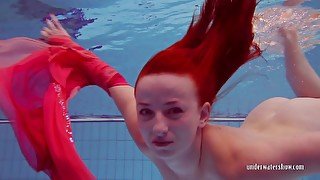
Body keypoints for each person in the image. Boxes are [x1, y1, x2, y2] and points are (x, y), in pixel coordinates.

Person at [1, 0, 320, 179]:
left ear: (203, 115)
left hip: (305, 122)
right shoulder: (146, 132)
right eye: (146, 111)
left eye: (174, 110)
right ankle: (288, 36)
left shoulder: (247, 164)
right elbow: (112, 81)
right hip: (267, 121)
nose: (158, 127)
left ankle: (289, 34)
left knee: (310, 93)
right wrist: (72, 50)